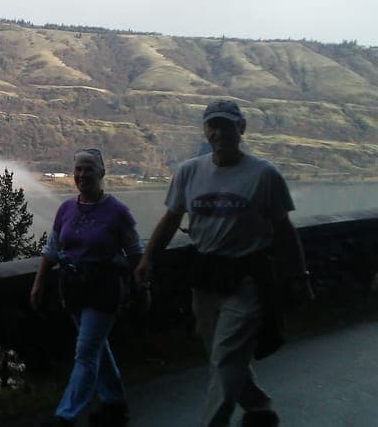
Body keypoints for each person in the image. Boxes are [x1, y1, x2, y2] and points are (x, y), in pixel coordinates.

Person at [133, 100, 314, 427]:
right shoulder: (189, 171)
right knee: (218, 352)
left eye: (226, 126)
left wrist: (299, 275)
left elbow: (284, 231)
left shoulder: (264, 175)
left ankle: (213, 421)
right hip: (206, 277)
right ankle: (257, 405)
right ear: (205, 130)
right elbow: (171, 219)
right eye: (212, 126)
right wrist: (147, 259)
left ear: (241, 128)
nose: (218, 133)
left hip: (247, 277)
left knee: (226, 354)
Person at [31, 148, 144, 427]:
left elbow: (135, 253)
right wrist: (38, 283)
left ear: (102, 172)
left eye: (88, 169)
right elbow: (52, 249)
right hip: (73, 289)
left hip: (104, 290)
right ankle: (115, 405)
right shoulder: (66, 209)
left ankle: (65, 416)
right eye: (78, 169)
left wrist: (144, 287)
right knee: (96, 348)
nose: (82, 175)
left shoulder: (118, 211)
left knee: (85, 353)